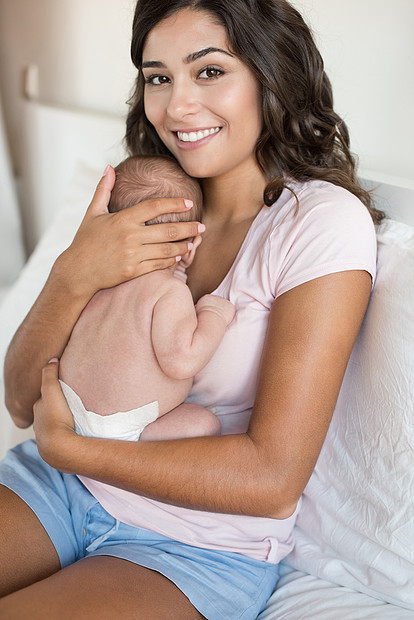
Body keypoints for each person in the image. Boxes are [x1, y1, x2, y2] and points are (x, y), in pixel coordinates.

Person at [0, 0, 384, 618]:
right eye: (159, 77)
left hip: (193, 542)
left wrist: (78, 450)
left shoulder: (318, 223)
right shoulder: (146, 198)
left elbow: (271, 477)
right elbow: (21, 398)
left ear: (271, 73)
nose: (177, 106)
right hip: (56, 485)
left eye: (209, 71)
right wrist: (73, 273)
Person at [59, 153, 234, 444]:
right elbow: (182, 360)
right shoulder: (168, 291)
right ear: (191, 248)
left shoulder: (97, 283)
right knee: (204, 423)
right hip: (123, 430)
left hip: (69, 411)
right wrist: (214, 314)